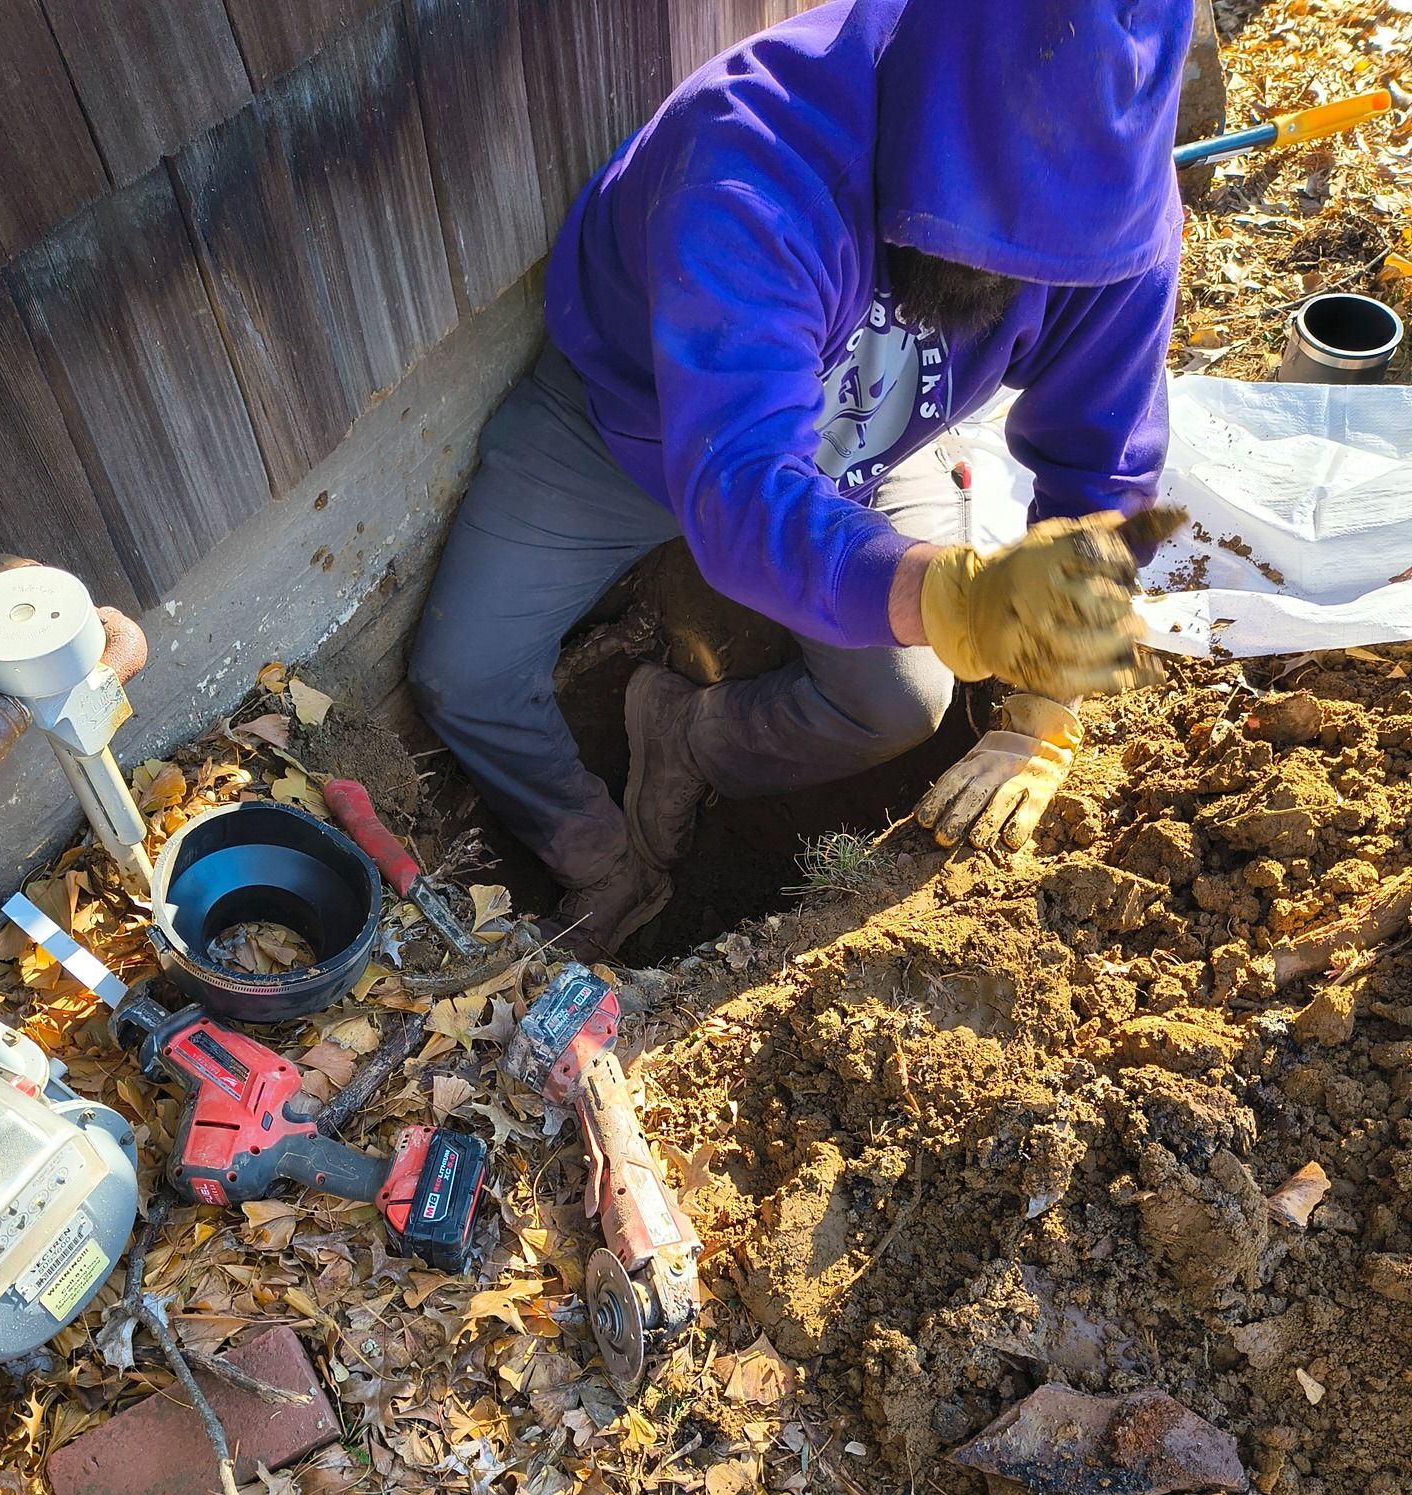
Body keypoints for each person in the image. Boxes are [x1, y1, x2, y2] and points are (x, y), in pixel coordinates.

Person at [410, 0, 1190, 958]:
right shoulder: (754, 156)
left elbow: (1100, 458)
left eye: (1039, 253)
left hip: (866, 446)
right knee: (464, 676)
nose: (1004, 269)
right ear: (926, 129)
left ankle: (685, 739)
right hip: (628, 428)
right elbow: (739, 485)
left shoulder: (1116, 220)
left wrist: (1042, 708)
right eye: (979, 234)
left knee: (900, 706)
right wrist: (945, 592)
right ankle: (601, 864)